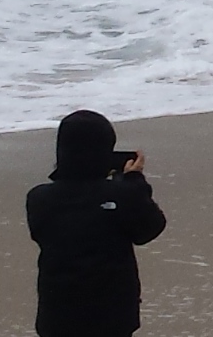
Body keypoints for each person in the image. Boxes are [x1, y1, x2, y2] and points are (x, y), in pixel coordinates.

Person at [23, 111, 166, 337]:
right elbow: (149, 229)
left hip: (57, 314)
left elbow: (41, 233)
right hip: (113, 315)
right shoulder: (121, 194)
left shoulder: (39, 197)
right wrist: (134, 180)